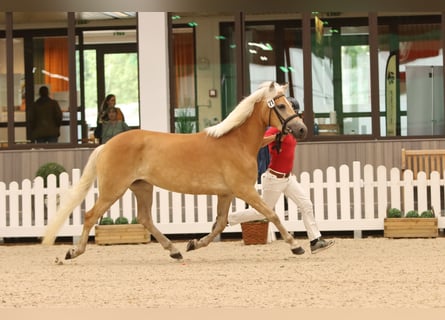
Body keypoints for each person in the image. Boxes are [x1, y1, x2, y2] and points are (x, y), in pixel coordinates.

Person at [227, 97, 334, 254]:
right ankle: (227, 219)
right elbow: (259, 142)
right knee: (260, 212)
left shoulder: (291, 130)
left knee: (306, 205)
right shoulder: (276, 129)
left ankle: (315, 241)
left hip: (288, 178)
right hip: (274, 179)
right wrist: (276, 137)